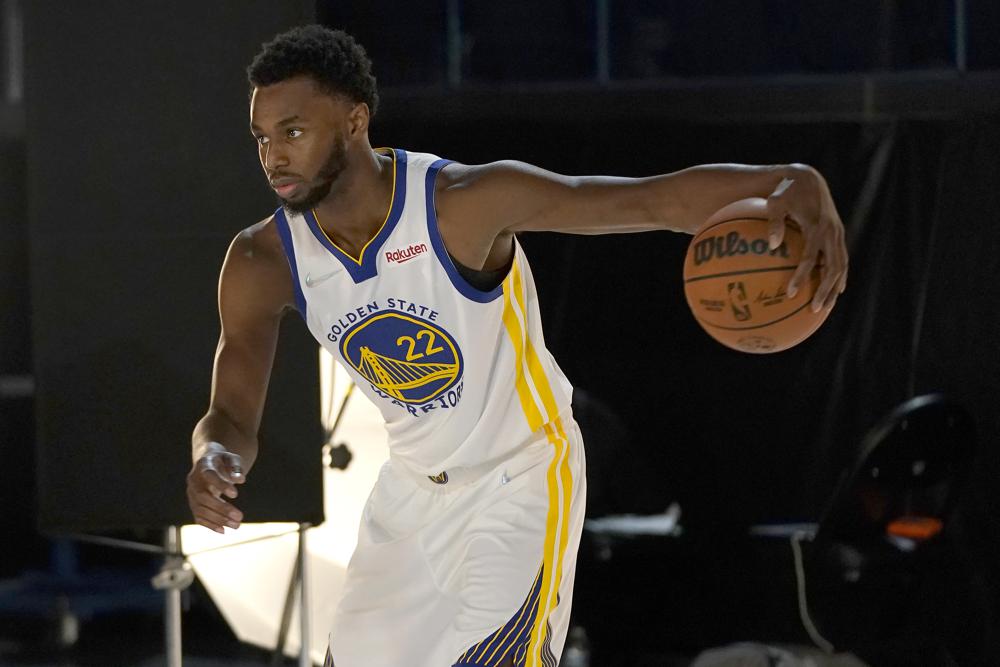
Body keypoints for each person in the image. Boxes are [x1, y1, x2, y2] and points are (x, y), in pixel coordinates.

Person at [185, 25, 848, 667]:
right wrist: (213, 454)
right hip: (410, 495)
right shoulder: (262, 259)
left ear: (354, 121)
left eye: (293, 131)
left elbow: (643, 202)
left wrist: (791, 179)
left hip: (520, 476)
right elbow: (234, 414)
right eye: (262, 136)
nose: (274, 155)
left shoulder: (462, 204)